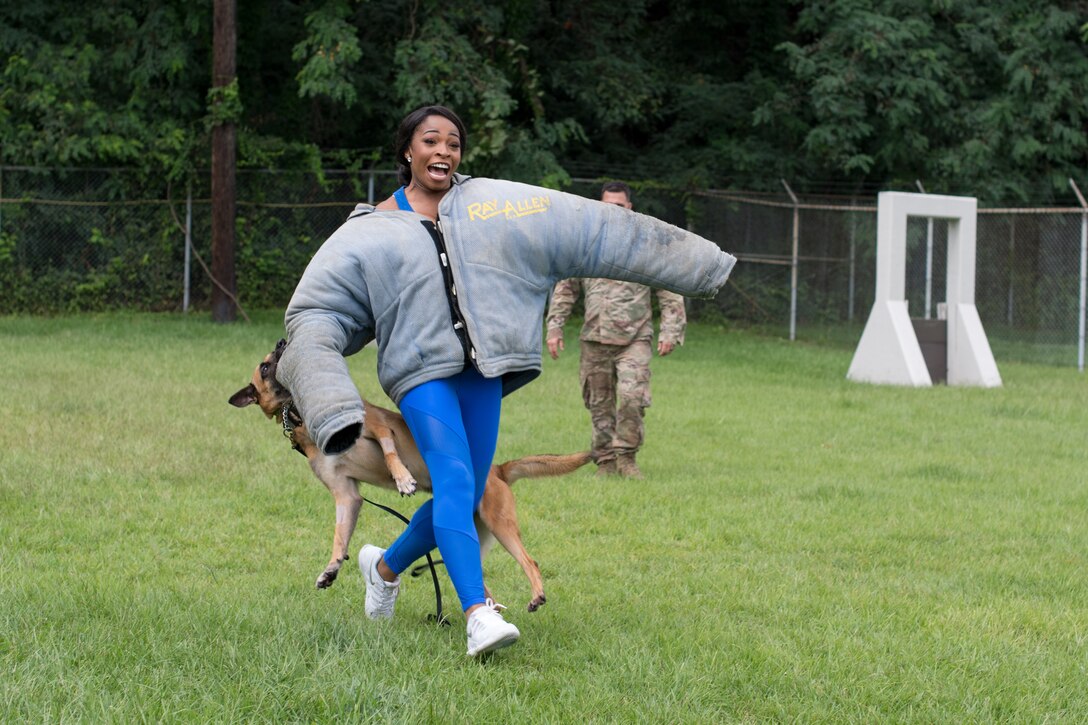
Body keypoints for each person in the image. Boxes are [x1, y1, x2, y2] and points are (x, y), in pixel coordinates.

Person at [276, 105, 736, 657]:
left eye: (452, 142)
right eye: (430, 140)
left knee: (468, 490)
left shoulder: (495, 206)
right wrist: (325, 398)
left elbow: (595, 231)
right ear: (408, 151)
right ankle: (478, 613)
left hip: (485, 368)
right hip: (420, 374)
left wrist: (700, 265)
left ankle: (386, 566)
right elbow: (314, 314)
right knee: (450, 476)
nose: (443, 150)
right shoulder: (371, 228)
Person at [545, 182, 686, 479]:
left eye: (619, 205)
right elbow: (565, 289)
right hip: (594, 339)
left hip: (635, 339)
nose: (613, 210)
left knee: (632, 398)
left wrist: (670, 331)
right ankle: (605, 462)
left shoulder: (646, 246)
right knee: (599, 405)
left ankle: (627, 458)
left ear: (629, 208)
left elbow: (670, 290)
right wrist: (555, 328)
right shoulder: (586, 246)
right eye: (608, 204)